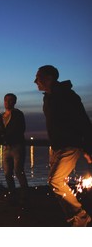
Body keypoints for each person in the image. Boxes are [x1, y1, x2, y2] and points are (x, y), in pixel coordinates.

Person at [34, 65, 92, 227]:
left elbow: (83, 121)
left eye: (38, 77)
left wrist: (88, 147)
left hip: (70, 144)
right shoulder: (48, 97)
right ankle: (74, 216)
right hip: (58, 146)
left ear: (49, 78)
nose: (35, 81)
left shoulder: (67, 95)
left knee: (55, 181)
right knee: (55, 181)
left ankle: (79, 215)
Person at [1, 93, 29, 207]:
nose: (8, 102)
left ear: (14, 102)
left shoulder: (18, 114)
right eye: (6, 100)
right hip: (6, 148)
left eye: (11, 100)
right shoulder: (2, 116)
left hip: (17, 146)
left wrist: (7, 137)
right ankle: (12, 195)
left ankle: (25, 197)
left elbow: (21, 129)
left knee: (18, 171)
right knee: (7, 173)